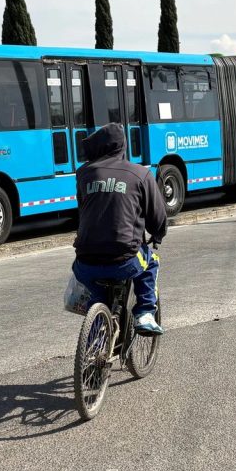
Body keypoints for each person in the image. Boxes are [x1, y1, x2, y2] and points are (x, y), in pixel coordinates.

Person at [72, 123, 168, 335]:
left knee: (96, 294)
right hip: (124, 261)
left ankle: (97, 331)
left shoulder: (84, 173)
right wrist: (158, 234)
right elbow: (157, 216)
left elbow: (83, 210)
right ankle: (144, 312)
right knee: (151, 262)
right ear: (122, 146)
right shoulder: (140, 174)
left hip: (84, 263)